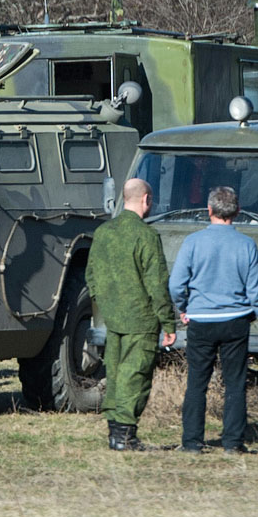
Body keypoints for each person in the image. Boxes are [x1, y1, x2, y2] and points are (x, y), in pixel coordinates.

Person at [169, 186, 258, 454]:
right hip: (236, 320)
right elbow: (255, 289)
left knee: (196, 383)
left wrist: (182, 307)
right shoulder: (247, 244)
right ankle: (233, 442)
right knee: (235, 383)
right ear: (237, 212)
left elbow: (176, 283)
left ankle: (192, 442)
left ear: (209, 210)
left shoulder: (193, 242)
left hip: (201, 319)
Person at [85, 178, 176, 451]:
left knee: (114, 375)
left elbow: (91, 276)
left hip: (113, 318)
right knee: (135, 376)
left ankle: (115, 433)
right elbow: (157, 285)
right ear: (146, 200)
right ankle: (125, 437)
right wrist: (168, 321)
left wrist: (106, 304)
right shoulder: (146, 236)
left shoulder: (103, 232)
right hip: (142, 319)